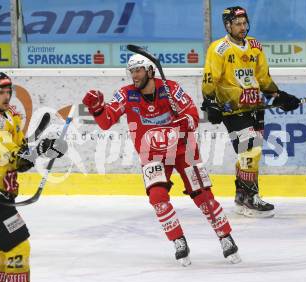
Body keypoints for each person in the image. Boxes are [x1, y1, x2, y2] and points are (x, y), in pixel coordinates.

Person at [82, 54, 241, 266]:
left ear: (150, 71)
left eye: (138, 70)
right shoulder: (126, 94)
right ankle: (178, 240)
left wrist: (185, 120)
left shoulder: (171, 88)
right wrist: (97, 108)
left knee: (203, 195)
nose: (134, 76)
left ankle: (225, 237)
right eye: (132, 71)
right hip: (152, 152)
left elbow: (193, 116)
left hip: (184, 149)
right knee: (157, 197)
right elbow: (106, 121)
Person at [0, 71, 67, 282]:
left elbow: (19, 151)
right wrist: (42, 149)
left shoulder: (6, 115)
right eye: (0, 92)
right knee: (19, 246)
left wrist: (41, 148)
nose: (6, 96)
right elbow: (19, 160)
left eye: (8, 91)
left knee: (1, 249)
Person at [201, 6, 301, 218]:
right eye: (238, 24)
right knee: (250, 151)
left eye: (245, 23)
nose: (243, 27)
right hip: (232, 109)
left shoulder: (255, 45)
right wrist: (210, 102)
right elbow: (211, 79)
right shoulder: (218, 48)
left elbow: (263, 78)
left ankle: (240, 196)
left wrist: (279, 95)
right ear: (228, 25)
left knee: (250, 152)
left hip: (255, 107)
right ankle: (250, 198)